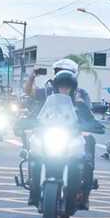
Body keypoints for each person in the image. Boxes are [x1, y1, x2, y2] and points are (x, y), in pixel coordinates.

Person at [28, 71, 103, 207]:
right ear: (56, 87)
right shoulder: (48, 103)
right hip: (50, 138)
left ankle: (84, 194)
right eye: (62, 86)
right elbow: (35, 116)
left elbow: (90, 119)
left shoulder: (79, 104)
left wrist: (94, 126)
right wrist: (27, 122)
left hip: (71, 140)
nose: (64, 89)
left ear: (72, 88)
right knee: (33, 156)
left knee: (86, 159)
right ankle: (33, 190)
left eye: (67, 86)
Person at [24, 58, 92, 107]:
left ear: (73, 86)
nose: (64, 89)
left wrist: (81, 103)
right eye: (61, 85)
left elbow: (89, 114)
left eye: (67, 85)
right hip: (50, 124)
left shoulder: (82, 93)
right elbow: (29, 92)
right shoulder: (48, 92)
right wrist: (31, 77)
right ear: (57, 85)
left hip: (74, 126)